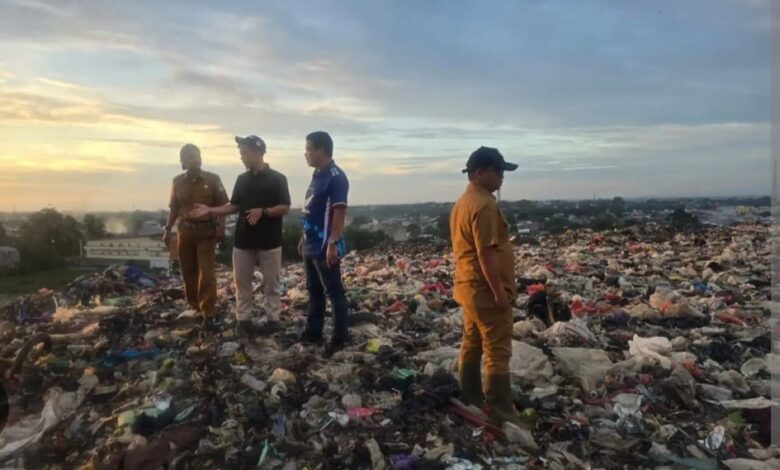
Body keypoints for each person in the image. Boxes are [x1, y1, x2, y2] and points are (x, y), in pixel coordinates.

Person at [449, 146, 522, 426]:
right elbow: (486, 252)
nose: (502, 176)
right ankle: (501, 410)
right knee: (497, 349)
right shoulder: (484, 205)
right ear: (479, 173)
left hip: (468, 288)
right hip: (485, 290)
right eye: (498, 170)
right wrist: (499, 292)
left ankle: (470, 397)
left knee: (472, 341)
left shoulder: (463, 203)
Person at [192, 135, 291, 336]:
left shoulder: (278, 179)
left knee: (272, 284)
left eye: (244, 153)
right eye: (241, 154)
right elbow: (234, 205)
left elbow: (285, 207)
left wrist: (262, 211)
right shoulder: (242, 179)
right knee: (242, 283)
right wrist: (210, 210)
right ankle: (243, 320)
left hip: (269, 241)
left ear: (257, 152)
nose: (242, 158)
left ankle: (273, 320)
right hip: (243, 240)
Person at [164, 143, 229, 333]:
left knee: (206, 273)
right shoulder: (177, 182)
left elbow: (223, 206)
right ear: (183, 161)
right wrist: (167, 230)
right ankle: (194, 306)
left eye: (197, 155)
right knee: (188, 271)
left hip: (206, 232)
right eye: (191, 156)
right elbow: (174, 208)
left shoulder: (212, 179)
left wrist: (221, 227)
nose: (196, 159)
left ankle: (209, 312)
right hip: (185, 232)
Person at [298, 131, 350, 358]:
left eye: (309, 149)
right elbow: (312, 210)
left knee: (333, 290)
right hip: (310, 242)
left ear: (321, 150)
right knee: (314, 290)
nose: (306, 153)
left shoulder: (336, 176)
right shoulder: (317, 175)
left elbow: (339, 211)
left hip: (324, 244)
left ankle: (340, 337)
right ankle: (313, 331)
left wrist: (332, 243)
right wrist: (303, 236)